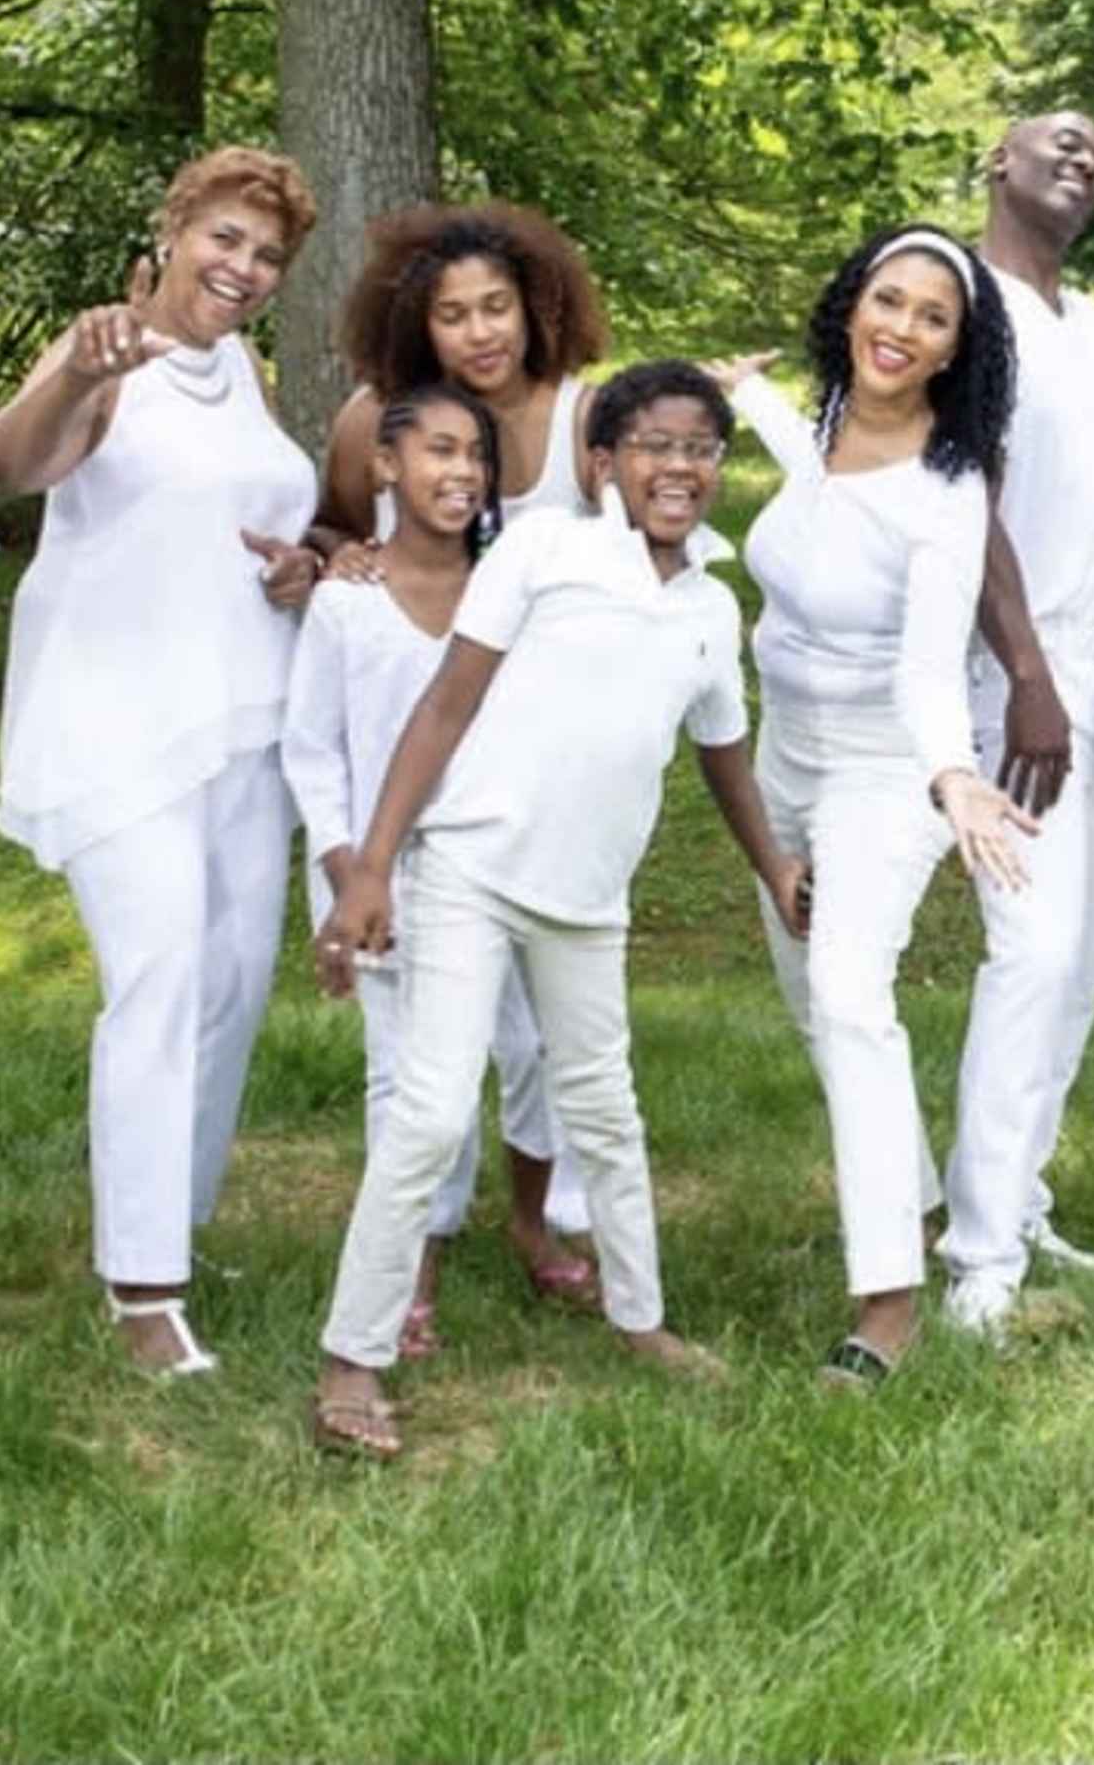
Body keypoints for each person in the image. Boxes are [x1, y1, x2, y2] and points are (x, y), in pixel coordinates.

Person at [306, 362, 795, 1458]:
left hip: (588, 899)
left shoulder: (712, 605)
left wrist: (775, 868)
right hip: (471, 869)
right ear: (602, 461)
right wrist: (373, 865)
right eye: (655, 445)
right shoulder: (543, 549)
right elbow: (445, 704)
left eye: (701, 447)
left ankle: (642, 1317)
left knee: (606, 1111)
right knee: (430, 1114)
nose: (680, 466)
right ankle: (352, 1359)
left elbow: (724, 758)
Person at [0, 147, 325, 1376]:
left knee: (234, 979)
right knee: (163, 974)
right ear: (175, 228)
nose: (241, 268)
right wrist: (77, 369)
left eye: (266, 254)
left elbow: (272, 513)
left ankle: (171, 1220)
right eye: (223, 239)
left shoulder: (244, 368)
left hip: (243, 710)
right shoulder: (108, 348)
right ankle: (139, 1290)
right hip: (119, 718)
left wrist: (300, 565)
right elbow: (14, 462)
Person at [722, 228, 1039, 1386]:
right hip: (784, 759)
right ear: (852, 305)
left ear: (960, 348)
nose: (901, 328)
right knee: (815, 1003)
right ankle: (904, 1209)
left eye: (932, 316)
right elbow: (804, 481)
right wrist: (741, 392)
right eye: (886, 301)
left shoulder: (947, 491)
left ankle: (889, 1303)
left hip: (887, 761)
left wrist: (954, 773)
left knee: (853, 997)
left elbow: (927, 663)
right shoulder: (818, 430)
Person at [304, 204, 622, 1308]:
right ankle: (416, 1250)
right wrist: (333, 562)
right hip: (424, 763)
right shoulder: (374, 423)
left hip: (548, 766)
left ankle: (539, 1219)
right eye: (452, 315)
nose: (480, 332)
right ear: (418, 327)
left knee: (547, 1031)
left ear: (537, 307)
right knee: (423, 1048)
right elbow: (339, 528)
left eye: (496, 306)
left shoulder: (585, 417)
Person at [936, 112, 1094, 1336]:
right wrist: (1026, 670)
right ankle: (978, 1259)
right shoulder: (959, 297)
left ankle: (1014, 1194)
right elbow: (955, 485)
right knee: (1027, 954)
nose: (1081, 160)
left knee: (1076, 961)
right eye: (1056, 143)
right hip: (1005, 671)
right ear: (998, 164)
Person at [281, 383, 506, 1361]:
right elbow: (311, 751)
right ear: (384, 465)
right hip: (371, 873)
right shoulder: (346, 602)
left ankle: (488, 1218)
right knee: (403, 1073)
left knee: (512, 1054)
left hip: (494, 870)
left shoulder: (508, 594)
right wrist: (349, 874)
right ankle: (408, 1258)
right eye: (438, 451)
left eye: (476, 456)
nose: (459, 472)